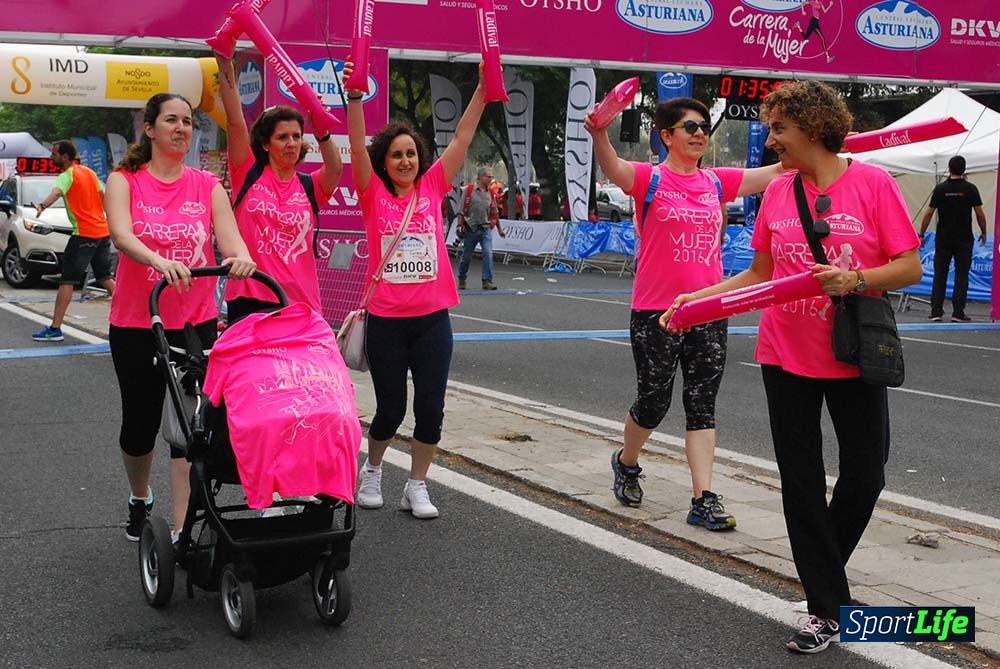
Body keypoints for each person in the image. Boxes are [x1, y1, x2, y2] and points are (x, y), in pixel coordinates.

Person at [661, 81, 922, 654]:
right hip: (785, 355)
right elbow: (759, 275)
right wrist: (696, 300)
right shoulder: (780, 192)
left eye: (779, 127)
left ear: (812, 127)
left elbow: (908, 268)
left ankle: (822, 582)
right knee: (800, 484)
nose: (771, 139)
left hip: (854, 354)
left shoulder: (873, 183)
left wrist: (855, 280)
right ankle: (828, 608)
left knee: (866, 474)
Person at [586, 97, 783, 531]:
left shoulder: (716, 183)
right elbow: (612, 168)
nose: (699, 133)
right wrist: (599, 132)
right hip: (656, 312)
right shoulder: (649, 179)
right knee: (654, 402)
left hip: (708, 310)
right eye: (690, 126)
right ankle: (627, 462)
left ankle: (703, 498)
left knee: (702, 403)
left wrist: (809, 144)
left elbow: (777, 172)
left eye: (704, 127)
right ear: (667, 135)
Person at [105, 93, 256, 542]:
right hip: (137, 322)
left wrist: (242, 258)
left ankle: (181, 529)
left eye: (187, 122)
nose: (181, 128)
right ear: (150, 129)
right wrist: (158, 260)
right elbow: (120, 233)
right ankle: (140, 497)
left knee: (190, 428)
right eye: (171, 120)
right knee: (140, 424)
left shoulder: (206, 184)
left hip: (195, 323)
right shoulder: (124, 179)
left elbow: (232, 242)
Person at [345, 60, 492, 519]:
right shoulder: (372, 193)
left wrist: (484, 92)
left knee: (431, 408)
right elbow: (354, 144)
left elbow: (464, 137)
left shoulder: (431, 187)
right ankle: (372, 470)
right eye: (396, 155)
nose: (406, 161)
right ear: (383, 161)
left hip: (432, 319)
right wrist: (354, 100)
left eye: (411, 153)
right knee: (391, 408)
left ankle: (417, 485)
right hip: (387, 320)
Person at [214, 54, 343, 323]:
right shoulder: (247, 173)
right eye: (282, 137)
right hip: (252, 295)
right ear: (265, 144)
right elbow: (236, 123)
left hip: (301, 301)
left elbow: (335, 170)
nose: (291, 143)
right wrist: (224, 62)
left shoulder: (309, 185)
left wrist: (323, 132)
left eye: (296, 136)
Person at [31, 140, 116, 342]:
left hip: (84, 235)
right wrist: (110, 218)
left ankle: (55, 328)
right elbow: (103, 195)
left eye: (54, 154)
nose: (51, 157)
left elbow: (56, 193)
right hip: (102, 232)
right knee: (104, 278)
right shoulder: (88, 172)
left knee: (67, 280)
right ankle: (136, 314)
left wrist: (42, 205)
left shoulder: (66, 176)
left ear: (65, 157)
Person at [918, 155, 988, 322]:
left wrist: (921, 233)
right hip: (964, 239)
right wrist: (983, 232)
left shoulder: (941, 189)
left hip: (943, 238)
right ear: (964, 169)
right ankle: (958, 312)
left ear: (949, 168)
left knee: (940, 274)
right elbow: (980, 214)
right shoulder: (970, 189)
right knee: (962, 275)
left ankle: (936, 311)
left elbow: (929, 212)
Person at [457, 166, 505, 291]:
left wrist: (500, 229)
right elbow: (461, 211)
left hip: (485, 228)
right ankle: (462, 278)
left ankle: (487, 281)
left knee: (488, 253)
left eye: (491, 177)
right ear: (481, 177)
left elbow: (495, 211)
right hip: (470, 228)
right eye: (488, 177)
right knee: (466, 256)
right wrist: (459, 226)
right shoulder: (469, 190)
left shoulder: (491, 193)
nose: (491, 179)